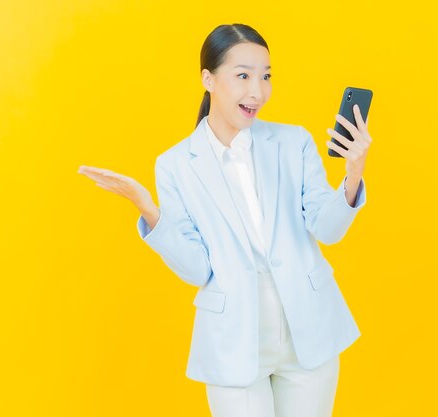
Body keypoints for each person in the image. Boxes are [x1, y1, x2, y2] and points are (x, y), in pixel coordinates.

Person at [78, 23, 372, 417]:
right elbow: (198, 270)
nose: (258, 91)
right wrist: (148, 208)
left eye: (266, 76)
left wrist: (353, 174)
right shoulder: (176, 164)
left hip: (309, 331)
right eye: (243, 76)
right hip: (234, 340)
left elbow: (328, 229)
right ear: (208, 79)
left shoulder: (293, 142)